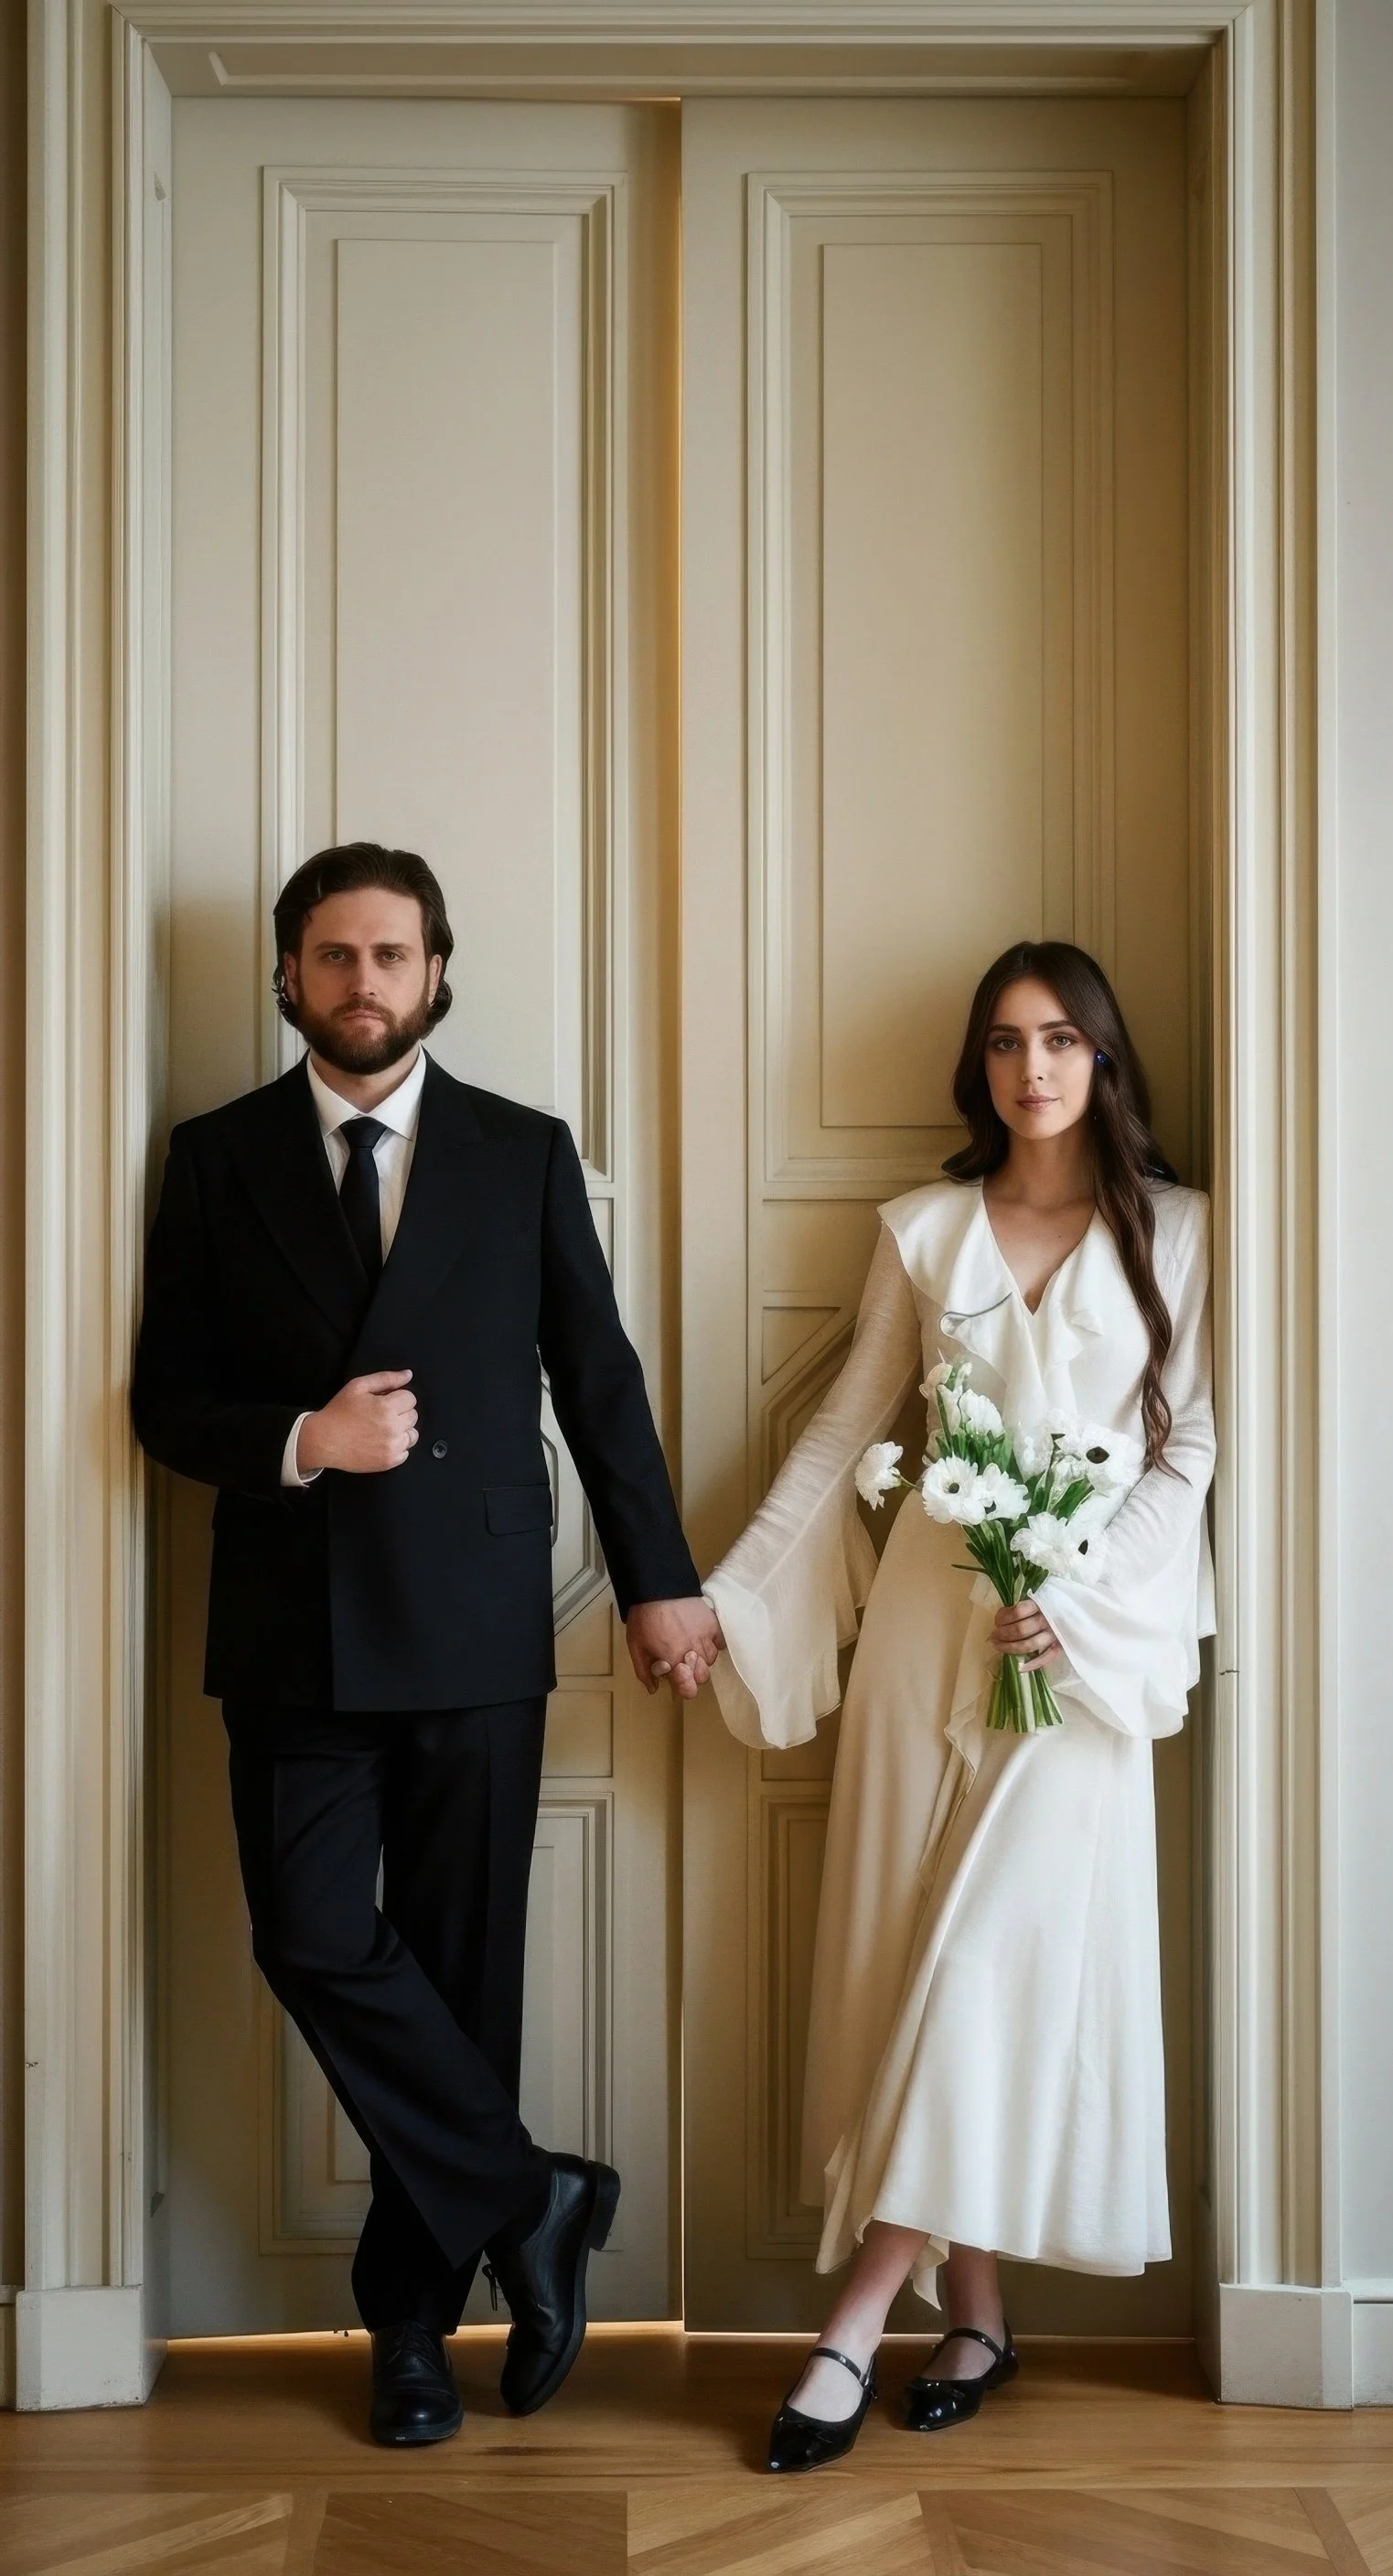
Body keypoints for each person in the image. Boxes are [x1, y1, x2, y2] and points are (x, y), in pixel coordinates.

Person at [133, 841, 721, 2448]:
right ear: (288, 976)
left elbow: (598, 1379)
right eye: (334, 955)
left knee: (462, 1984)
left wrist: (660, 1579)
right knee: (312, 1933)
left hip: (475, 1621)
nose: (364, 982)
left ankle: (412, 2329)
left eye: (392, 954)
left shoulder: (520, 1151)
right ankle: (532, 2196)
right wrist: (304, 1441)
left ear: (438, 974)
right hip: (292, 1628)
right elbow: (166, 1399)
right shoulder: (216, 1157)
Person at [698, 939, 1216, 2472]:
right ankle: (976, 2314)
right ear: (978, 1065)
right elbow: (844, 1431)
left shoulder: (1183, 1233)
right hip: (932, 1628)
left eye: (1059, 1041)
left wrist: (1082, 1595)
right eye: (1004, 1042)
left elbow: (1188, 1448)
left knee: (987, 1961)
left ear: (1104, 1059)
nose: (1031, 1069)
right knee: (909, 1960)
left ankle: (853, 2322)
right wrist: (725, 1594)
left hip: (1077, 1651)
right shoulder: (924, 1232)